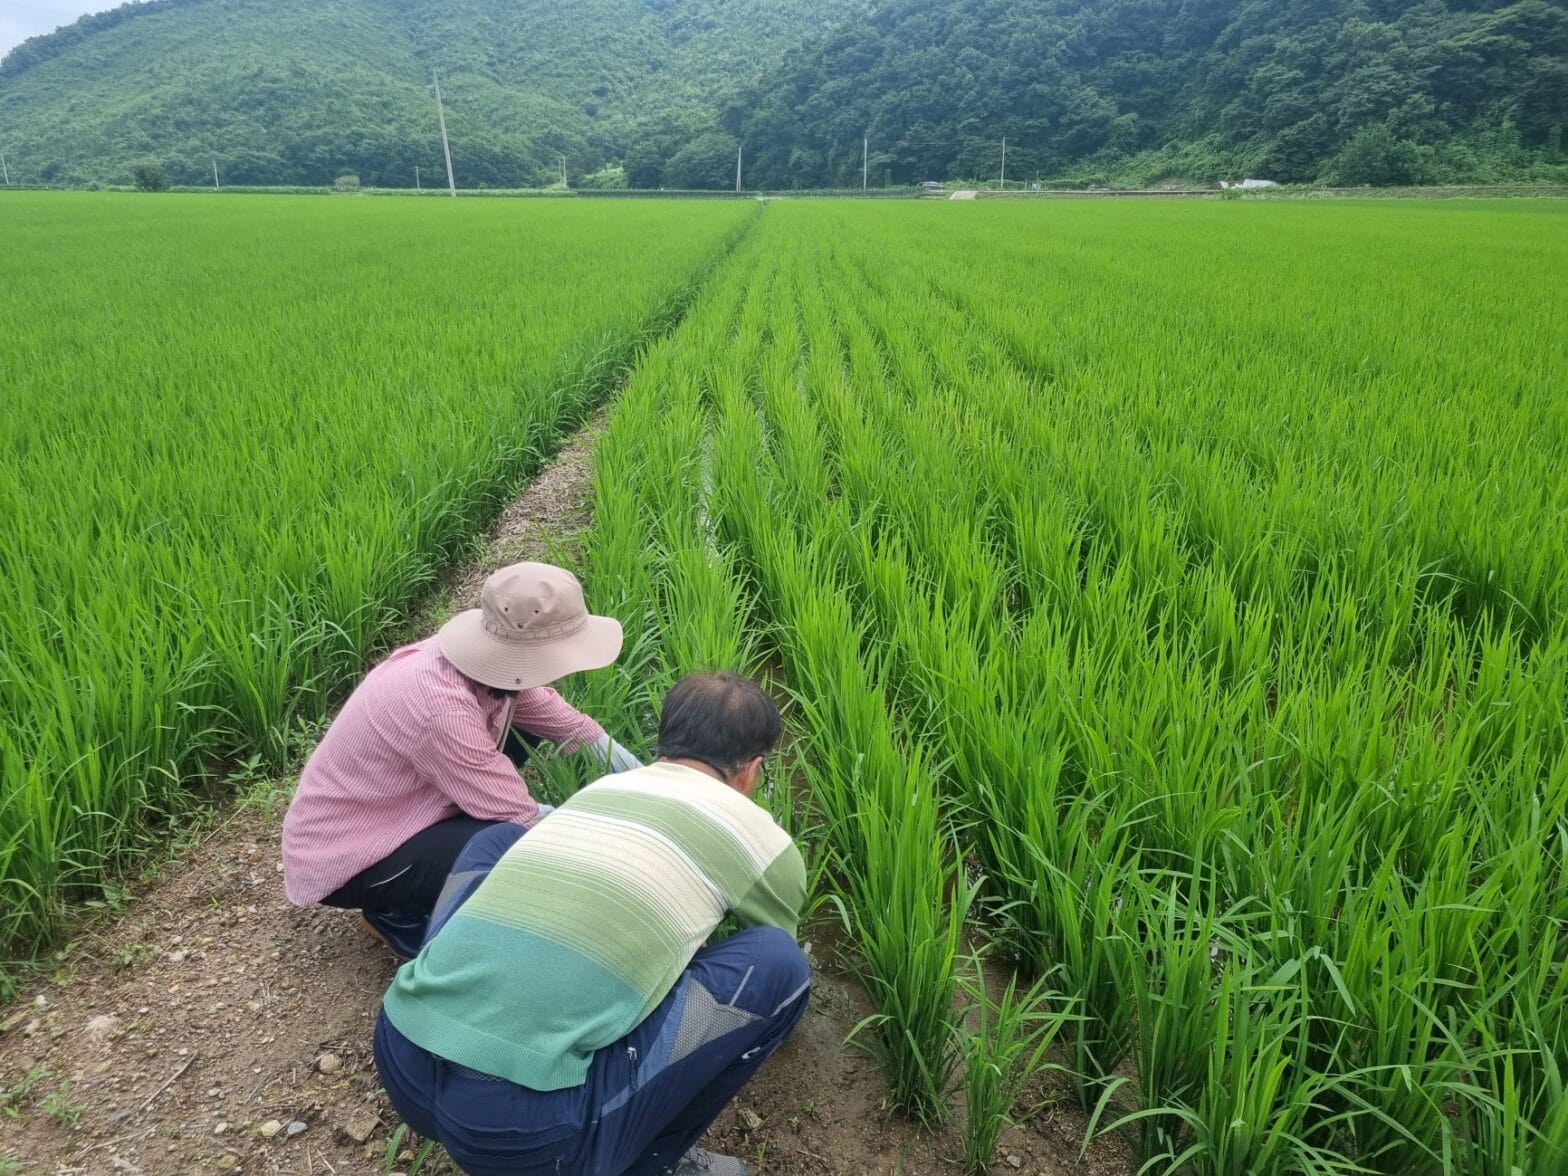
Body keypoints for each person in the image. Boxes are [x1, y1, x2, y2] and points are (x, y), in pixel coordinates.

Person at [374, 673, 809, 1176]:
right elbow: (771, 958)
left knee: (498, 840)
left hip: (401, 1056)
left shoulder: (603, 789)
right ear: (752, 770)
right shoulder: (763, 841)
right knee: (780, 965)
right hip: (523, 1134)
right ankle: (650, 1162)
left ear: (665, 743)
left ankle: (445, 986)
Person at [282, 562, 642, 957]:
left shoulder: (488, 668)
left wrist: (652, 781)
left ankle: (444, 849)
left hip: (402, 799)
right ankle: (395, 912)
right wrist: (619, 839)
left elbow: (571, 727)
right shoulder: (440, 708)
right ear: (525, 654)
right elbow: (521, 816)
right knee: (505, 841)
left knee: (529, 732)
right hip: (353, 853)